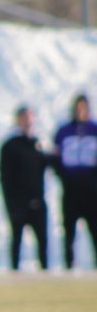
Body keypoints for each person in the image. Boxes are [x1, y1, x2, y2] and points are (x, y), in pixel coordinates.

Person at [0, 104, 50, 270]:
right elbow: (4, 177)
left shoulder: (38, 143)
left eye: (30, 117)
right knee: (17, 240)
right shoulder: (10, 145)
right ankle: (14, 273)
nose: (28, 121)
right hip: (18, 203)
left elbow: (46, 167)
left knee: (42, 241)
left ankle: (44, 274)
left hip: (37, 201)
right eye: (24, 117)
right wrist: (11, 204)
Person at [52, 93, 97, 269]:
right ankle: (69, 267)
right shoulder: (63, 131)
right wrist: (63, 177)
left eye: (83, 108)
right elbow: (55, 158)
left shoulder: (94, 129)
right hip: (70, 190)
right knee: (69, 232)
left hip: (92, 191)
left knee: (94, 230)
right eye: (77, 108)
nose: (80, 111)